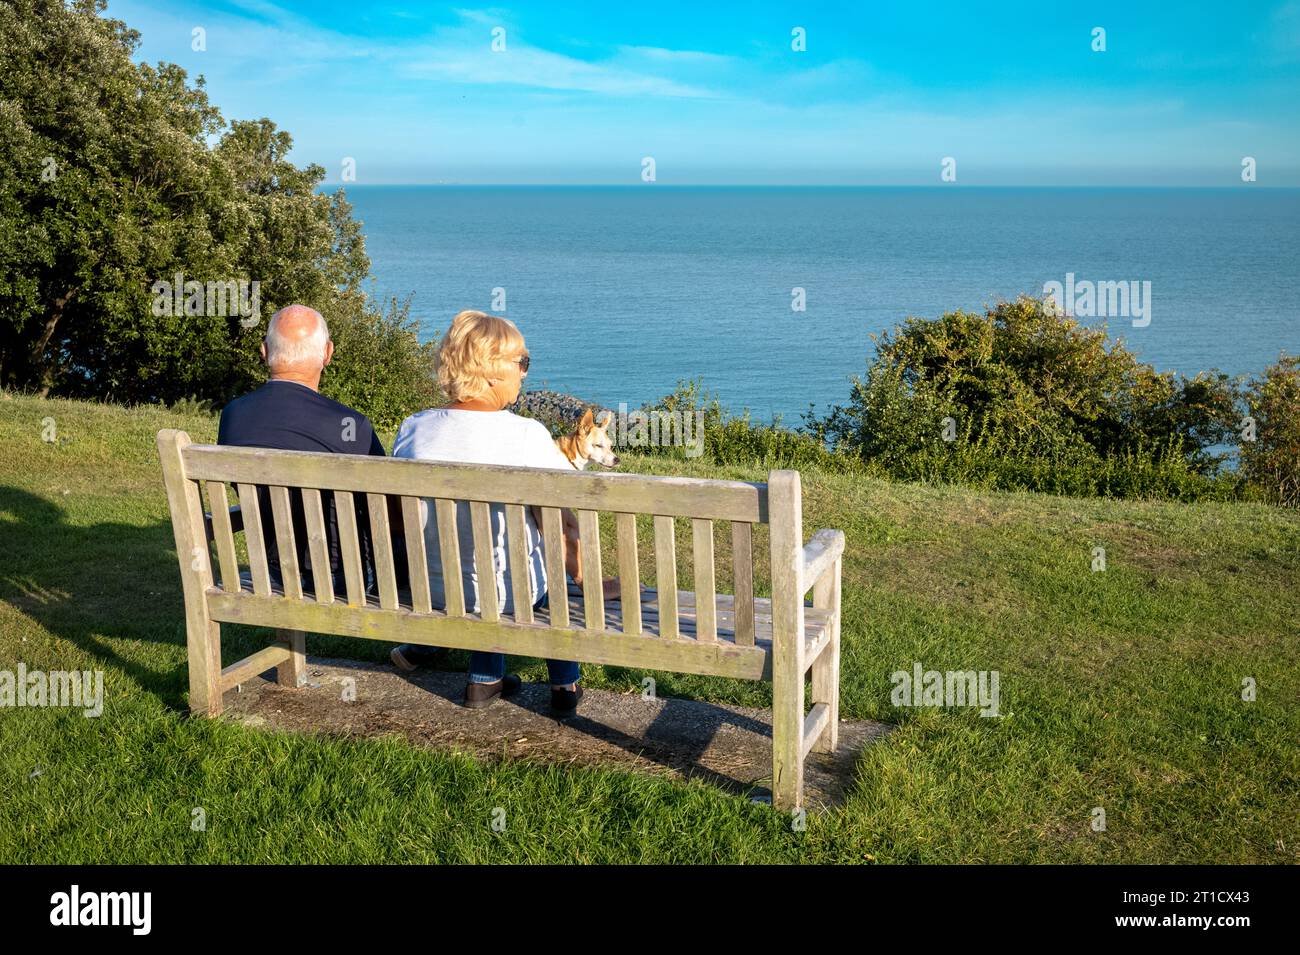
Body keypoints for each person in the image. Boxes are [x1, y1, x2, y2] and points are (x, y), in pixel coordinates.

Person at [391, 310, 622, 717]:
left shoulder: (414, 428)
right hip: (505, 592)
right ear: (493, 373)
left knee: (481, 558)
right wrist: (586, 579)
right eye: (522, 364)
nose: (525, 374)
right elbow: (562, 523)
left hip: (435, 590)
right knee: (536, 569)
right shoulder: (526, 434)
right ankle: (564, 683)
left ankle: (484, 680)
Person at [217, 304, 394, 598]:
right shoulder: (350, 425)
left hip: (271, 573)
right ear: (327, 353)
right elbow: (387, 512)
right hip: (343, 580)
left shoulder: (234, 414)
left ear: (264, 351)